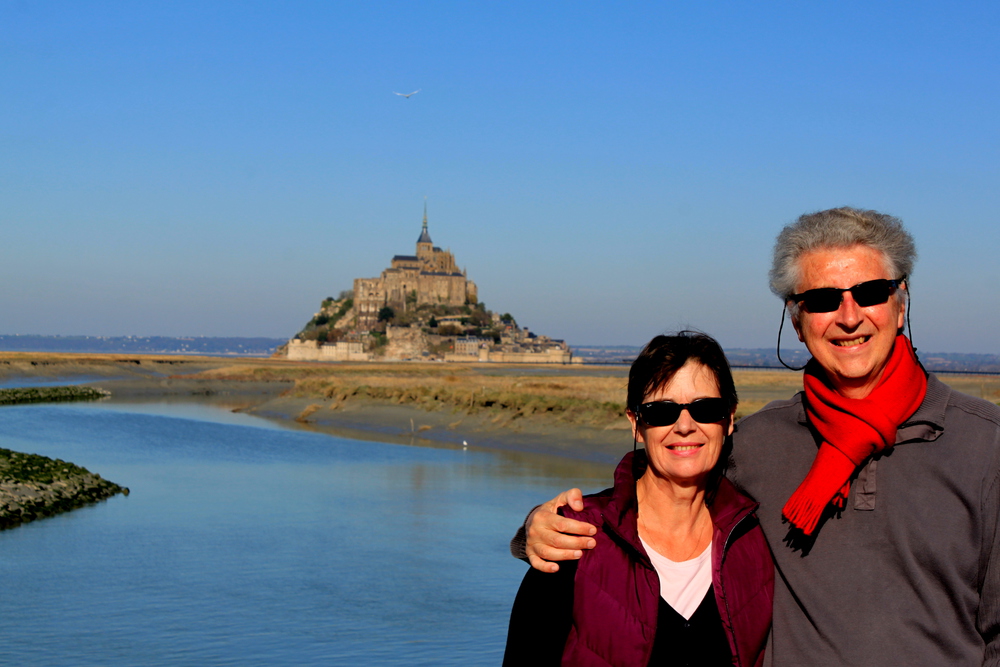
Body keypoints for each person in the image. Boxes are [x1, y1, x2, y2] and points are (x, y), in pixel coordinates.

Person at [512, 208, 1000, 666]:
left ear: (900, 301)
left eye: (870, 291)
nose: (849, 316)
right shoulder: (760, 443)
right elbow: (664, 482)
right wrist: (537, 528)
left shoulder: (985, 446)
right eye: (824, 299)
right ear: (796, 317)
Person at [504, 332, 773, 666]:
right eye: (662, 411)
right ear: (636, 424)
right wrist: (529, 530)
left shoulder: (755, 542)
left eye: (706, 409)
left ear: (729, 419)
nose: (685, 426)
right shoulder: (575, 539)